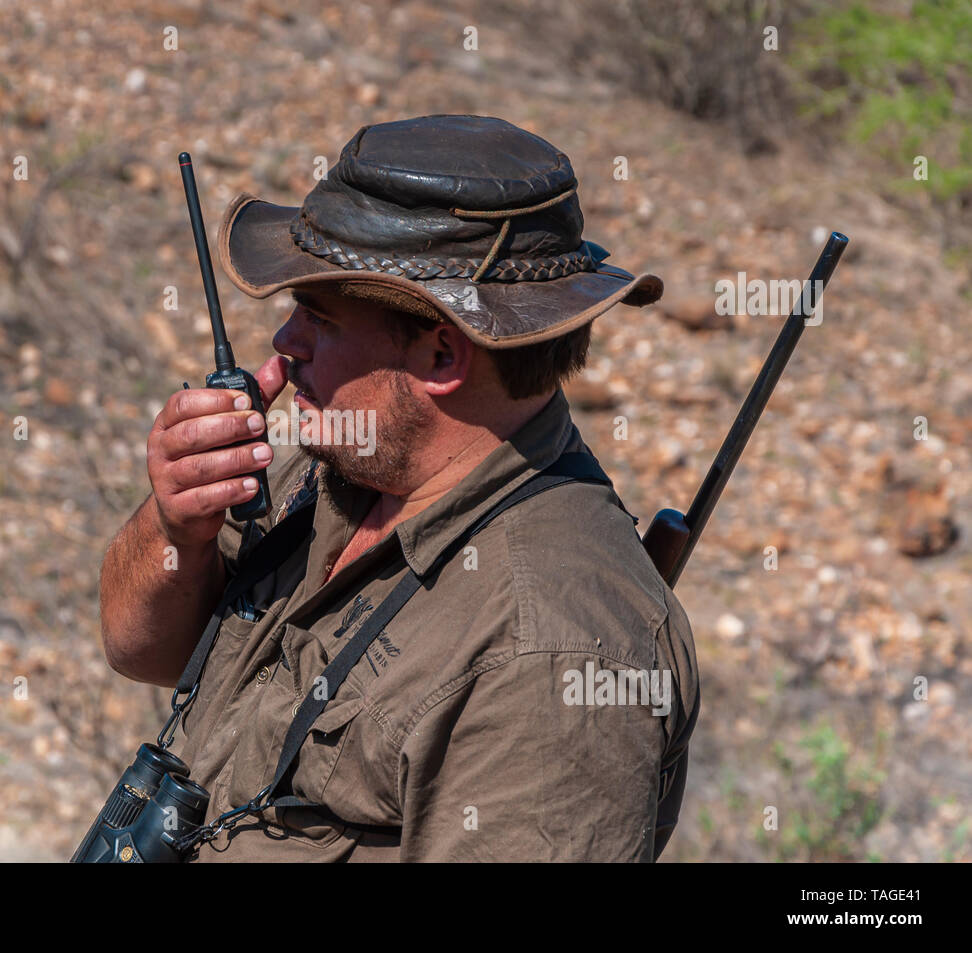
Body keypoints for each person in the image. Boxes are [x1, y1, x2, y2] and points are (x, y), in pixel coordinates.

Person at [99, 115, 700, 861]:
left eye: (318, 316)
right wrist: (176, 525)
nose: (285, 342)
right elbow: (141, 649)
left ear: (442, 350)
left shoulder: (550, 651)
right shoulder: (333, 467)